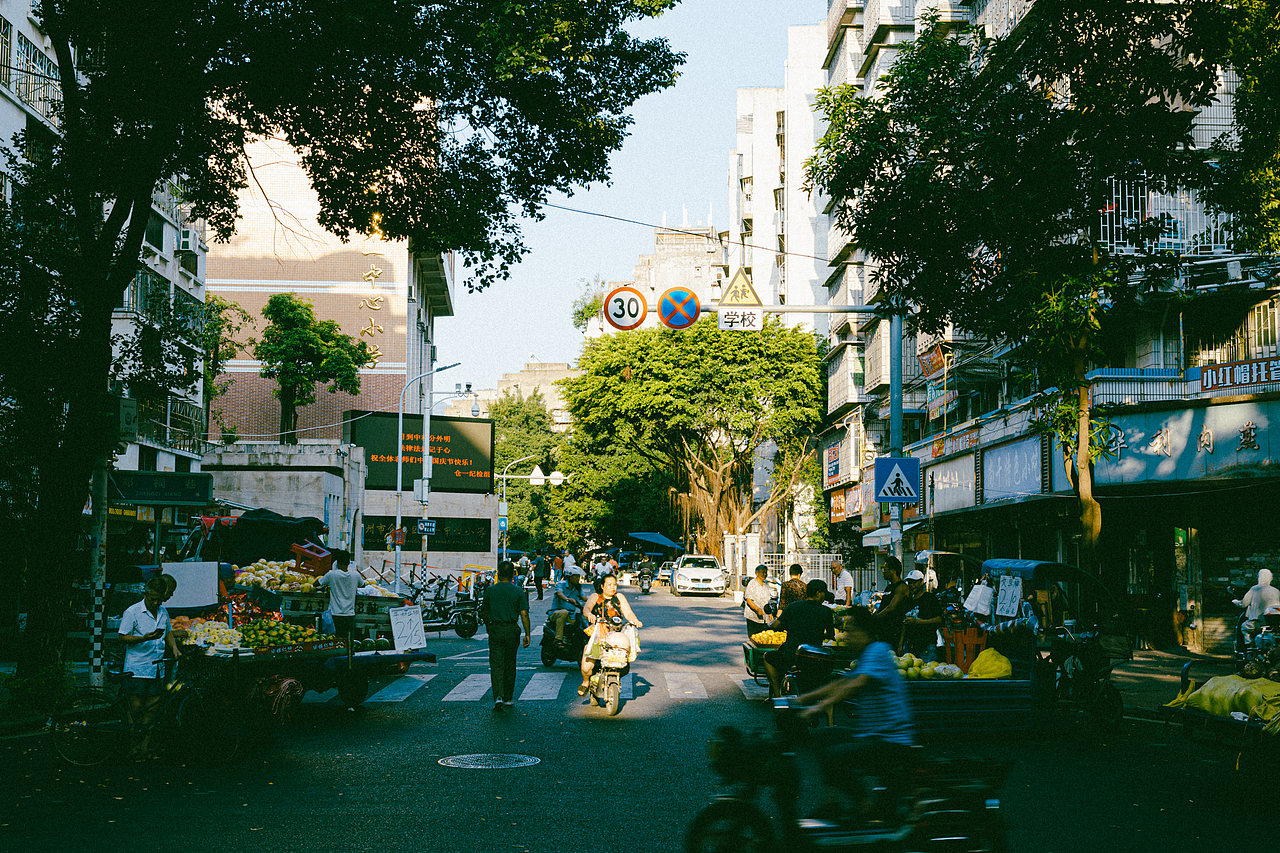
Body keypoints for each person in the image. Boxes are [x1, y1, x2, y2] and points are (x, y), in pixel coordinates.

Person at [797, 605, 915, 824]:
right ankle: (830, 803)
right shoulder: (866, 656)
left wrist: (817, 708)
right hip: (872, 735)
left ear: (864, 632)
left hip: (891, 742)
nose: (846, 637)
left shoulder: (878, 650)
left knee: (835, 756)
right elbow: (842, 682)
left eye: (850, 631)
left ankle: (865, 804)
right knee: (825, 736)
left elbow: (856, 684)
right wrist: (801, 700)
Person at [118, 576, 183, 751]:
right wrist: (142, 638)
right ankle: (133, 747)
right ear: (145, 594)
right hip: (137, 668)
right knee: (136, 708)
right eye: (152, 598)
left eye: (158, 599)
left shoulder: (163, 612)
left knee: (152, 709)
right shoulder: (132, 612)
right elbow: (122, 636)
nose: (155, 602)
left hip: (157, 668)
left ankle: (144, 748)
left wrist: (175, 649)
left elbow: (168, 632)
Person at [762, 579, 835, 699]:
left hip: (790, 657)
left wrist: (770, 625)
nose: (824, 596)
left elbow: (776, 625)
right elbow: (831, 635)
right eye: (823, 593)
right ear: (817, 593)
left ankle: (777, 694)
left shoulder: (793, 607)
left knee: (767, 657)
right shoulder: (826, 611)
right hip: (814, 660)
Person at [578, 573, 643, 696]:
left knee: (625, 656)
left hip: (616, 635)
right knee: (587, 664)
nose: (612, 587)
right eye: (609, 585)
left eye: (614, 585)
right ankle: (586, 681)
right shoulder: (595, 596)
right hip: (598, 634)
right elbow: (586, 608)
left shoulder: (619, 597)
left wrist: (635, 621)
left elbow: (628, 612)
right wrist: (589, 615)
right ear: (602, 586)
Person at [480, 561, 531, 709]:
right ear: (512, 575)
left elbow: (484, 611)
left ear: (498, 574)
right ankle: (509, 697)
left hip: (495, 629)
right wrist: (527, 634)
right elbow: (524, 614)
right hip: (511, 629)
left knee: (496, 664)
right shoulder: (518, 591)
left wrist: (489, 626)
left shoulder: (490, 590)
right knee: (510, 663)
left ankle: (498, 696)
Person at [318, 548, 365, 649]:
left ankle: (335, 662)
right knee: (348, 643)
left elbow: (316, 584)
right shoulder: (355, 575)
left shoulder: (331, 575)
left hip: (335, 615)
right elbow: (363, 585)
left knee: (334, 642)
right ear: (349, 562)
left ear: (337, 563)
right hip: (350, 615)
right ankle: (348, 662)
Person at [900, 569, 944, 661]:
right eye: (910, 583)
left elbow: (939, 619)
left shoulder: (930, 598)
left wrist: (918, 622)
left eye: (914, 582)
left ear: (921, 582)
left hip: (927, 646)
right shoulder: (907, 601)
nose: (912, 585)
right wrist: (901, 645)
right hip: (910, 646)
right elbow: (905, 624)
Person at [870, 557, 909, 651]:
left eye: (885, 569)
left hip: (895, 631)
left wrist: (875, 618)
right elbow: (882, 607)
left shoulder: (901, 587)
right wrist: (871, 618)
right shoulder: (889, 588)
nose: (883, 572)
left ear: (893, 571)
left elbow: (891, 607)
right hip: (884, 631)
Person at [1234, 568, 1280, 646]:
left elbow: (1244, 603)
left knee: (1244, 628)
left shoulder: (1255, 589)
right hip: (1274, 624)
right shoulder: (1276, 591)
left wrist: (1236, 602)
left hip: (1257, 622)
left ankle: (1249, 646)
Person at [549, 567, 588, 643]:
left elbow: (584, 597)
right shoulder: (561, 584)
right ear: (569, 577)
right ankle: (558, 639)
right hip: (556, 614)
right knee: (564, 612)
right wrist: (567, 599)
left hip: (571, 616)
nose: (578, 579)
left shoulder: (578, 587)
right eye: (576, 576)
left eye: (578, 577)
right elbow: (559, 593)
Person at [744, 564, 774, 638]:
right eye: (762, 572)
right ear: (756, 573)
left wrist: (769, 613)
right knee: (753, 638)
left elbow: (767, 601)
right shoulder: (752, 583)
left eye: (765, 572)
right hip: (753, 617)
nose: (764, 574)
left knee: (762, 638)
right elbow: (749, 600)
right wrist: (757, 609)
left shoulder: (766, 585)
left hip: (763, 618)